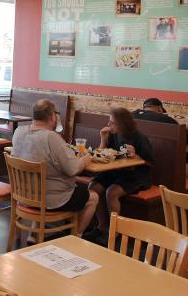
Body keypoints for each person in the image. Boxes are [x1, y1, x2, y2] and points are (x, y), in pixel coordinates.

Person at [10, 99, 98, 236]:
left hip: (24, 195)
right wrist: (86, 159)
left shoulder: (19, 132)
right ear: (52, 117)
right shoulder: (51, 137)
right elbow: (73, 169)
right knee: (92, 197)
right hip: (50, 200)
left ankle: (34, 235)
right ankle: (76, 237)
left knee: (44, 180)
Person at [89, 107, 153, 232]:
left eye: (112, 123)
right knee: (93, 187)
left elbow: (149, 162)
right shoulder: (112, 135)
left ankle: (115, 232)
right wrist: (102, 139)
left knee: (111, 192)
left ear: (123, 124)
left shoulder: (139, 138)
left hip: (136, 175)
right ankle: (101, 227)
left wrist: (136, 156)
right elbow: (100, 155)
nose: (108, 125)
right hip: (114, 172)